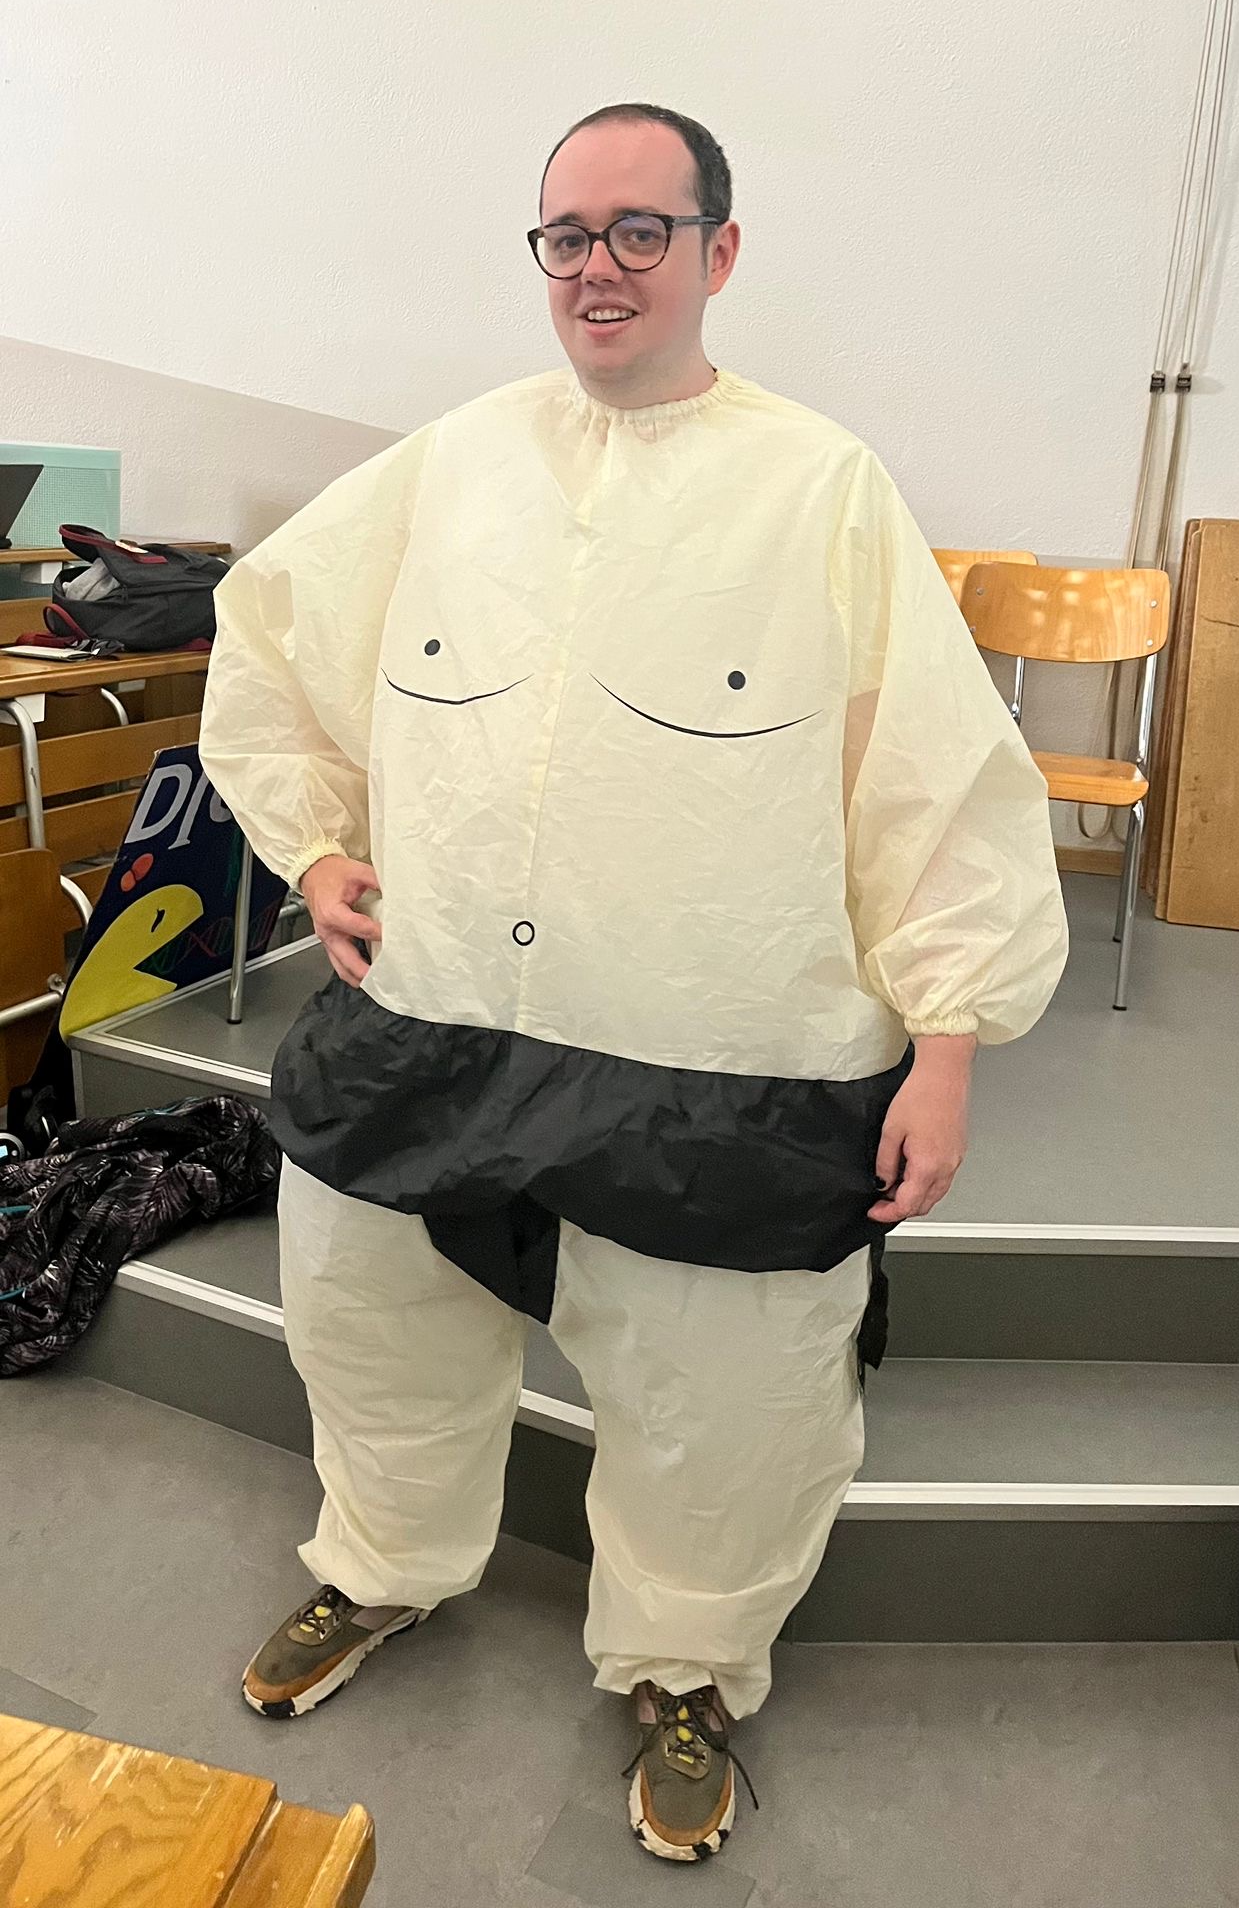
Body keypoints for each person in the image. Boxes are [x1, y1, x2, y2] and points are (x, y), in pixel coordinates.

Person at [199, 102, 1067, 1864]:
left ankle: (690, 1666)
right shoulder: (452, 465)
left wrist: (950, 1042)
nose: (598, 267)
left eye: (639, 231)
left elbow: (933, 776)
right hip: (439, 1012)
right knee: (371, 1311)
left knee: (727, 1390)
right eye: (567, 235)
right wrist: (316, 847)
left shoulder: (821, 488)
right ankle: (383, 1563)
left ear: (718, 251)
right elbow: (276, 632)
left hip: (716, 1042)